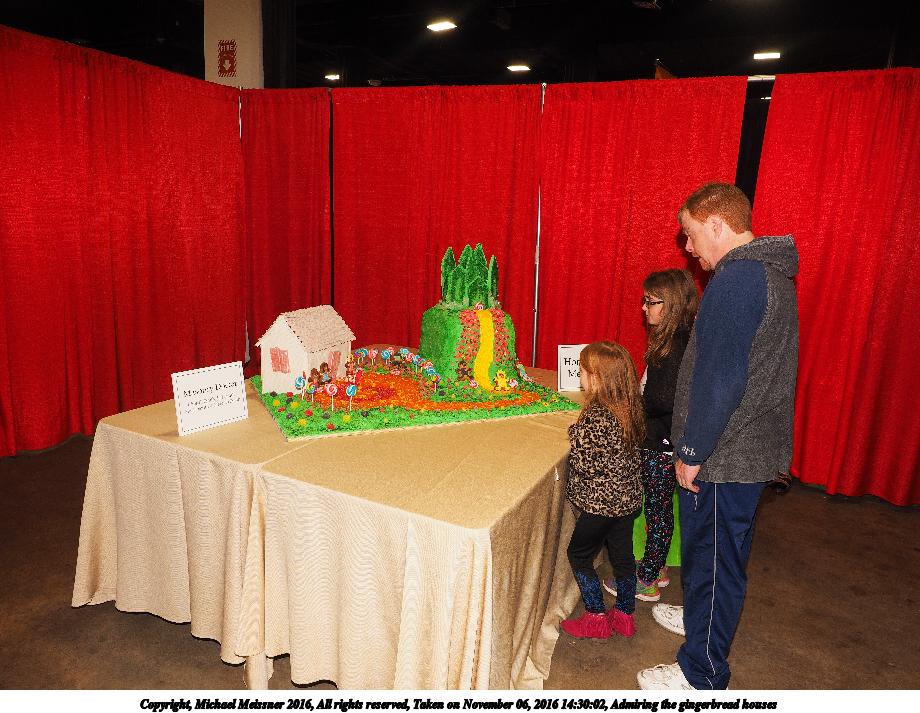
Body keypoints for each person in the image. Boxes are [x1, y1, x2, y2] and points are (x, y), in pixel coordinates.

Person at [637, 183, 799, 690]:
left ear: (715, 224)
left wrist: (692, 449)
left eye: (689, 234)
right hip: (745, 447)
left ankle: (702, 674)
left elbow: (721, 377)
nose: (687, 248)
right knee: (722, 556)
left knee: (712, 561)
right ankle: (701, 620)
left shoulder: (739, 279)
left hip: (725, 454)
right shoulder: (767, 272)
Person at [604, 269, 699, 603]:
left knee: (658, 511)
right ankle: (656, 567)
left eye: (651, 301)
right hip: (666, 439)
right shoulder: (678, 339)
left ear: (670, 304)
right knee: (659, 509)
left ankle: (646, 579)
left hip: (661, 443)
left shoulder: (673, 348)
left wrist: (633, 407)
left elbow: (663, 400)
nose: (644, 308)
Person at [560, 341, 645, 640]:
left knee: (578, 555)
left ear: (596, 378)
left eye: (582, 372)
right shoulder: (631, 407)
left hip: (600, 505)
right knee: (623, 557)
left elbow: (584, 465)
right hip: (627, 500)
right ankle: (625, 613)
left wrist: (575, 433)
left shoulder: (595, 415)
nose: (580, 377)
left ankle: (595, 616)